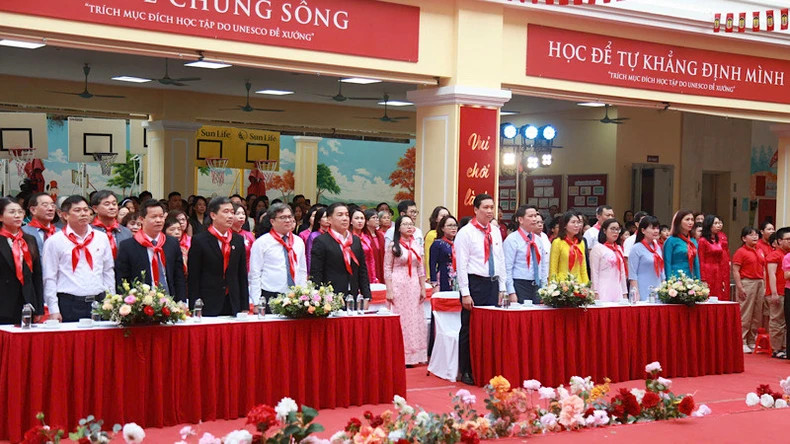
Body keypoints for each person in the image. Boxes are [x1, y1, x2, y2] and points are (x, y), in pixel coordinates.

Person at [456, 194, 508, 385]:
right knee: (469, 329)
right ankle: (467, 370)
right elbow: (461, 264)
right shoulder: (465, 233)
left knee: (491, 329)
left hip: (492, 283)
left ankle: (486, 368)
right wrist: (465, 293)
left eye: (491, 207)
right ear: (476, 210)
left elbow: (500, 259)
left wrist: (502, 286)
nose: (489, 211)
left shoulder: (495, 231)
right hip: (474, 283)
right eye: (485, 207)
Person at [43, 195, 114, 322]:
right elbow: (49, 277)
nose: (83, 214)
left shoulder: (101, 238)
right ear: (65, 215)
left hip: (99, 301)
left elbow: (108, 271)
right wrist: (53, 309)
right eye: (77, 210)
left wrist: (111, 300)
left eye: (86, 210)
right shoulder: (54, 241)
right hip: (69, 303)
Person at [187, 197, 249, 316]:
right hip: (208, 302)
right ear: (213, 215)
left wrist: (244, 305)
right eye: (226, 212)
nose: (230, 216)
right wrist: (194, 307)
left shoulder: (238, 240)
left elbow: (242, 275)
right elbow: (193, 277)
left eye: (232, 212)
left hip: (233, 302)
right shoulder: (200, 240)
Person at [115, 200, 185, 300]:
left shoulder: (172, 243)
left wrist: (181, 302)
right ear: (142, 219)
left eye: (161, 216)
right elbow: (122, 280)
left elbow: (179, 277)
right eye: (154, 217)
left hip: (170, 302)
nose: (158, 220)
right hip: (141, 304)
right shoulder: (128, 246)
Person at [384, 215, 428, 366]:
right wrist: (389, 290)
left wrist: (423, 287)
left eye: (411, 224)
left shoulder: (417, 245)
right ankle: (398, 353)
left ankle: (413, 355)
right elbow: (387, 268)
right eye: (405, 224)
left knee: (414, 318)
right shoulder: (393, 246)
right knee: (401, 318)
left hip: (413, 284)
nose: (409, 227)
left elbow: (421, 268)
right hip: (398, 284)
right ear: (398, 228)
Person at [249, 203, 307, 308]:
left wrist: (303, 294)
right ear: (272, 221)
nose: (288, 220)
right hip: (270, 293)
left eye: (290, 217)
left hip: (295, 294)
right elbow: (255, 273)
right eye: (282, 217)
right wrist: (256, 302)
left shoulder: (298, 241)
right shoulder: (262, 242)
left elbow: (302, 270)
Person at [309, 202, 371, 301]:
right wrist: (318, 298)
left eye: (347, 215)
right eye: (340, 215)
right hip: (331, 298)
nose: (345, 218)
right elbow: (316, 273)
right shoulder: (321, 241)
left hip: (354, 296)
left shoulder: (355, 240)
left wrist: (367, 296)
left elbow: (362, 270)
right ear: (329, 219)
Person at [0, 198, 44, 324]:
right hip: (3, 302)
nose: (17, 215)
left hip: (26, 302)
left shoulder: (29, 240)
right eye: (12, 212)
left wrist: (39, 308)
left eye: (20, 212)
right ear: (1, 217)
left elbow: (37, 275)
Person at [504, 205, 549, 304]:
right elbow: (507, 267)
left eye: (535, 216)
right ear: (520, 219)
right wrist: (511, 291)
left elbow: (542, 265)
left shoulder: (538, 239)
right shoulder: (512, 239)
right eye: (530, 216)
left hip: (537, 284)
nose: (534, 219)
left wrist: (545, 288)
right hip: (520, 283)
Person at [733, 226, 766, 354]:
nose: (755, 236)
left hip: (759, 282)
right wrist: (740, 286)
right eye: (751, 235)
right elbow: (735, 270)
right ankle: (742, 341)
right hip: (747, 282)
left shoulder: (760, 250)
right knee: (745, 313)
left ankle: (752, 340)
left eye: (756, 234)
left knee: (757, 314)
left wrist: (764, 284)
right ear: (743, 238)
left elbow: (763, 268)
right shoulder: (741, 252)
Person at [628, 216, 666, 301]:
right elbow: (632, 273)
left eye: (657, 228)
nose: (656, 231)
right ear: (643, 230)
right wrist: (635, 292)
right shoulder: (636, 248)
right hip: (642, 287)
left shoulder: (657, 248)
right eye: (653, 228)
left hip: (657, 286)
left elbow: (661, 269)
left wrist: (664, 286)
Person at [590, 219, 628, 302]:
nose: (616, 232)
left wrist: (624, 292)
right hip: (602, 289)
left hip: (617, 289)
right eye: (612, 229)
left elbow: (622, 272)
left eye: (617, 229)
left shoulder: (618, 248)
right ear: (604, 230)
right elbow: (594, 272)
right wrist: (595, 292)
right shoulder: (597, 248)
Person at [766, 228, 789, 359]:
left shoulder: (788, 255)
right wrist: (774, 293)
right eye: (788, 239)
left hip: (786, 291)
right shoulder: (774, 255)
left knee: (785, 322)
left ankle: (785, 347)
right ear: (779, 241)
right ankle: (776, 348)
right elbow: (771, 274)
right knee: (776, 320)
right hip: (777, 292)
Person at [91, 190, 133, 260]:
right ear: (95, 209)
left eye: (114, 204)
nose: (112, 207)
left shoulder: (126, 232)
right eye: (107, 204)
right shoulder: (89, 231)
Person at [549, 212, 589, 283]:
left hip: (578, 283)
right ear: (565, 225)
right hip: (562, 283)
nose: (577, 225)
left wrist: (586, 284)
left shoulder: (580, 242)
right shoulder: (557, 242)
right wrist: (552, 286)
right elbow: (553, 268)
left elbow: (583, 267)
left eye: (578, 222)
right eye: (573, 222)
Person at [698, 215, 731, 300]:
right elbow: (701, 260)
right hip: (708, 270)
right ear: (709, 225)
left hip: (718, 270)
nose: (718, 225)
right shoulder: (702, 241)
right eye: (715, 223)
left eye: (719, 223)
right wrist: (703, 278)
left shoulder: (718, 240)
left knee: (719, 294)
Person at [663, 210, 701, 279]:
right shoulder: (671, 241)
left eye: (692, 220)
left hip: (691, 278)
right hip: (676, 278)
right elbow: (667, 263)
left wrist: (698, 280)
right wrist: (669, 283)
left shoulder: (693, 240)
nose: (690, 222)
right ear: (679, 221)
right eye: (687, 219)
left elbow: (696, 263)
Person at [429, 215, 458, 292]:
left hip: (457, 277)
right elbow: (432, 264)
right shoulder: (437, 244)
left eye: (455, 225)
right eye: (450, 225)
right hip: (443, 276)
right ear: (442, 228)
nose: (453, 228)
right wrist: (434, 283)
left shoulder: (459, 243)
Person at [424, 206, 450, 277]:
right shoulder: (432, 234)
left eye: (447, 216)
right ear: (436, 219)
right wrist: (429, 277)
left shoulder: (450, 235)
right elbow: (428, 256)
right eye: (443, 216)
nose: (445, 218)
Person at [361, 209, 385, 284]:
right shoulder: (364, 236)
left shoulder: (381, 235)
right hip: (369, 267)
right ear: (367, 221)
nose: (377, 220)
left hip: (381, 265)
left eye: (377, 218)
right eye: (374, 218)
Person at [305, 207, 329, 274]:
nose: (327, 219)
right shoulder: (314, 235)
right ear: (318, 220)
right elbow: (309, 255)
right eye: (324, 217)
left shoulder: (334, 234)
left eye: (328, 217)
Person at [231, 203, 255, 267]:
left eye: (243, 214)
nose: (241, 216)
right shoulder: (226, 234)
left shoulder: (249, 235)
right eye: (238, 214)